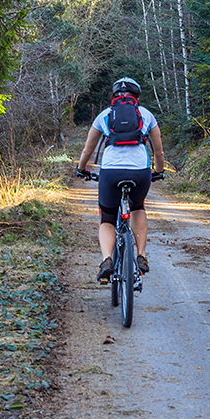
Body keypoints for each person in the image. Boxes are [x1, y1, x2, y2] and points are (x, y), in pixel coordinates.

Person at [76, 77, 166, 282]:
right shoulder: (147, 115)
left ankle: (107, 259)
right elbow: (158, 151)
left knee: (107, 218)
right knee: (138, 208)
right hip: (140, 172)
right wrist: (158, 171)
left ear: (113, 96)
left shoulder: (104, 115)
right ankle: (141, 256)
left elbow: (87, 150)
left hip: (111, 172)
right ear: (137, 96)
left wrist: (81, 169)